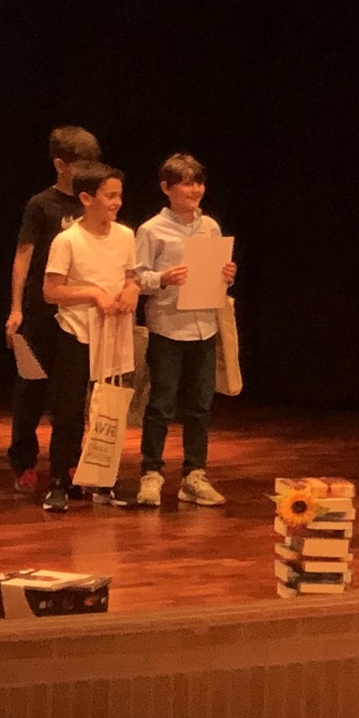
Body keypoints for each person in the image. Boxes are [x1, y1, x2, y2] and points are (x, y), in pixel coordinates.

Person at [133, 154, 236, 508]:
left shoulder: (210, 227)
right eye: (187, 184)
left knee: (200, 406)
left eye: (199, 183)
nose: (195, 190)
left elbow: (217, 274)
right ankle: (151, 473)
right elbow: (136, 278)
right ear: (166, 188)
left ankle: (194, 475)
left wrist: (226, 275)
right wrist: (162, 278)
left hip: (204, 325)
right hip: (168, 326)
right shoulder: (151, 229)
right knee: (161, 404)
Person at [6, 126, 102, 493]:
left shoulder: (91, 202)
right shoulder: (41, 204)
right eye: (80, 164)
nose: (87, 171)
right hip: (42, 308)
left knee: (72, 394)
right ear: (60, 164)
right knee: (32, 387)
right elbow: (23, 256)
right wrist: (16, 308)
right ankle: (24, 460)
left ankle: (68, 463)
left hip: (78, 311)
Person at [38, 161, 136, 514]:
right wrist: (93, 294)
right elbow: (51, 291)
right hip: (77, 333)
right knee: (68, 411)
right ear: (85, 198)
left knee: (108, 409)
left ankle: (104, 479)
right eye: (109, 196)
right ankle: (59, 480)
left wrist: (132, 291)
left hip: (113, 334)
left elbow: (130, 277)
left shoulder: (125, 236)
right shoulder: (68, 240)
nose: (116, 203)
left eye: (119, 196)